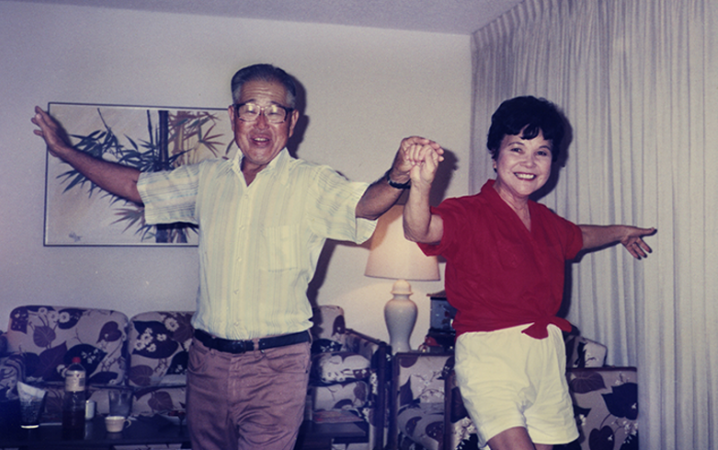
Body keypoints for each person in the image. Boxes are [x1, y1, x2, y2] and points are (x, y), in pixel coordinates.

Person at [32, 63, 442, 450]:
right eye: (250, 110)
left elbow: (364, 205)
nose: (261, 124)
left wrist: (397, 176)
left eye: (274, 111)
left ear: (292, 121)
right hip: (206, 364)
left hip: (277, 367)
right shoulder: (206, 179)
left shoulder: (313, 183)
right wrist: (65, 151)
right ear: (233, 116)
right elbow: (137, 186)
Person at [402, 96, 655, 450]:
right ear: (495, 156)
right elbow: (421, 230)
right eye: (517, 148)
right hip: (490, 355)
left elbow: (580, 236)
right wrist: (420, 185)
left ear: (553, 161)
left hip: (546, 357)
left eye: (542, 152)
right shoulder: (469, 213)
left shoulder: (547, 221)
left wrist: (619, 232)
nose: (529, 162)